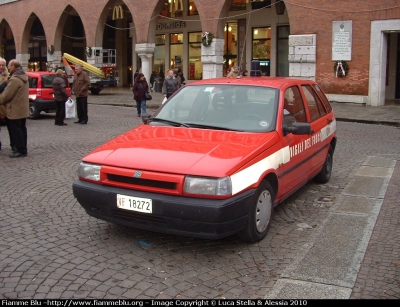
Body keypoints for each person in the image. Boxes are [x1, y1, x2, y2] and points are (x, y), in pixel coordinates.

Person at [0, 59, 29, 158]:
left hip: (15, 109)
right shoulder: (23, 77)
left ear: (13, 67)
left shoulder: (15, 79)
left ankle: (20, 150)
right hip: (21, 108)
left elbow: (6, 95)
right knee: (22, 129)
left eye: (8, 65)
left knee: (16, 130)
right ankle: (22, 148)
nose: (7, 67)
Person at [0, 57, 10, 150]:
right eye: (0, 65)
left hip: (5, 105)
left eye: (3, 65)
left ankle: (14, 145)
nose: (1, 67)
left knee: (10, 127)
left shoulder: (8, 76)